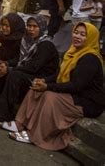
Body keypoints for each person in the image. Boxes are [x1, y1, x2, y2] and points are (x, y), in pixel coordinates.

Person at [8, 22, 105, 150]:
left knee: (49, 97)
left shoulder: (90, 58)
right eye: (76, 33)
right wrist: (43, 81)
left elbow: (76, 86)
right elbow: (59, 76)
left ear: (91, 38)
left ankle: (34, 136)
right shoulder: (72, 53)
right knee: (36, 86)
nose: (77, 36)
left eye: (83, 35)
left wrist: (48, 87)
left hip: (86, 101)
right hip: (73, 94)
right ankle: (19, 123)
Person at [0, 15, 59, 122]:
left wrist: (10, 69)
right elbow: (19, 59)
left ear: (42, 28)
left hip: (41, 77)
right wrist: (6, 64)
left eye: (35, 26)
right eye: (29, 26)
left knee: (14, 75)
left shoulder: (46, 44)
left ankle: (3, 114)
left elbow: (34, 66)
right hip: (28, 71)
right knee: (1, 67)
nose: (31, 29)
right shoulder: (28, 40)